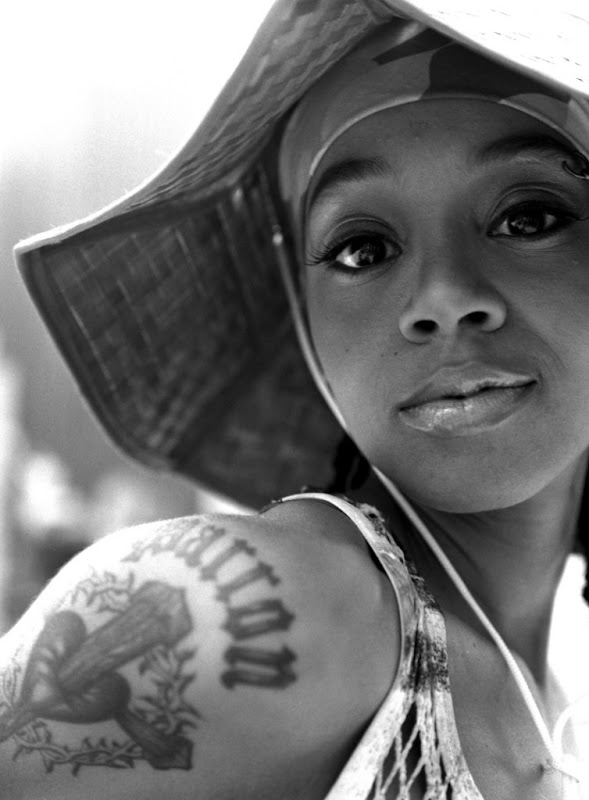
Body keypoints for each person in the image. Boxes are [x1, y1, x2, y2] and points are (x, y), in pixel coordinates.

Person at [1, 1, 589, 798]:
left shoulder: (560, 674)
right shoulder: (233, 609)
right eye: (362, 248)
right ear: (304, 321)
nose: (443, 298)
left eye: (527, 218)